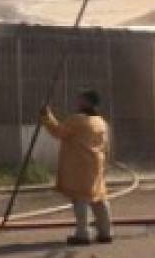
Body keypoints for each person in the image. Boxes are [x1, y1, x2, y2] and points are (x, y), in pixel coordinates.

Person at [41, 89, 113, 246]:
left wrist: (47, 116)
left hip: (79, 165)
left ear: (87, 102)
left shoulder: (77, 120)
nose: (77, 102)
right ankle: (106, 232)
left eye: (81, 100)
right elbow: (106, 145)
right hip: (96, 163)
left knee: (80, 198)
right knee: (99, 197)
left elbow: (58, 132)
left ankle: (83, 234)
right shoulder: (101, 122)